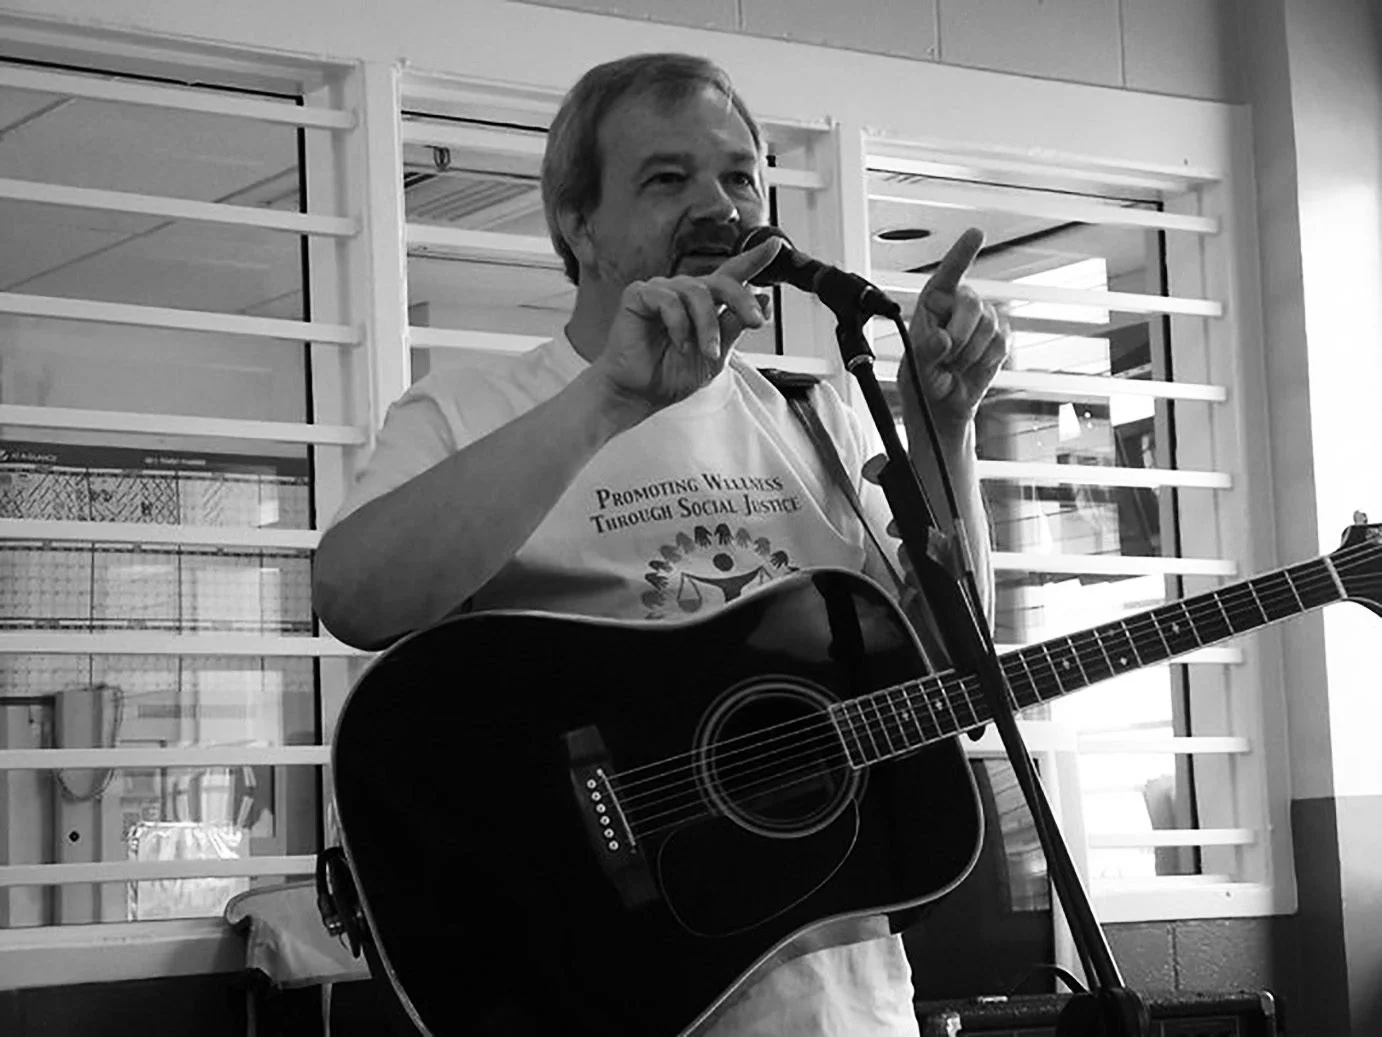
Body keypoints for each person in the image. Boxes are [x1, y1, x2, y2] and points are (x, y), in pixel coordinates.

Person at [313, 52, 1008, 1037]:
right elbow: (356, 595)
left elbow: (957, 684)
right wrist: (608, 397)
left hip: (845, 1003)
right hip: (596, 993)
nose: (718, 205)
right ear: (576, 223)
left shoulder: (817, 418)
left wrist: (943, 433)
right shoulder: (466, 410)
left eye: (738, 174)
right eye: (666, 177)